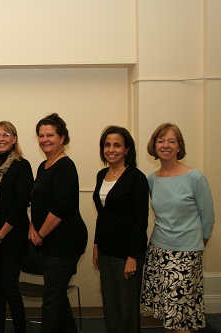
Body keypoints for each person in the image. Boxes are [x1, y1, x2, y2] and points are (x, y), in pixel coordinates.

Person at [142, 123, 215, 333]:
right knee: (169, 314)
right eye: (161, 140)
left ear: (179, 146)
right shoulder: (151, 179)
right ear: (154, 145)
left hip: (186, 254)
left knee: (180, 317)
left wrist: (196, 247)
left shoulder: (195, 177)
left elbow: (208, 218)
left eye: (171, 141)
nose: (166, 145)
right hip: (157, 250)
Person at [29, 113, 87, 333]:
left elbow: (60, 208)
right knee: (57, 294)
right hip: (48, 240)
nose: (45, 139)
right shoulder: (43, 166)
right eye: (41, 135)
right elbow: (36, 201)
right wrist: (33, 228)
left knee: (51, 299)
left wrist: (41, 234)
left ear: (62, 138)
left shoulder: (65, 166)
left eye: (50, 135)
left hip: (64, 241)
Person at [92, 126, 149, 333]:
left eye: (117, 145)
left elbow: (141, 221)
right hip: (106, 250)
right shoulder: (101, 175)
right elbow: (102, 216)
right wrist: (96, 246)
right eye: (107, 145)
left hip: (127, 253)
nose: (111, 149)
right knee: (110, 304)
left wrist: (133, 257)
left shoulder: (137, 178)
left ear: (127, 149)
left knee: (127, 307)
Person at [0, 121, 33, 333]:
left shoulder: (22, 165)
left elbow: (20, 206)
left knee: (10, 287)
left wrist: (0, 235)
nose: (1, 139)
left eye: (6, 135)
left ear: (14, 138)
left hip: (12, 236)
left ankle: (20, 330)